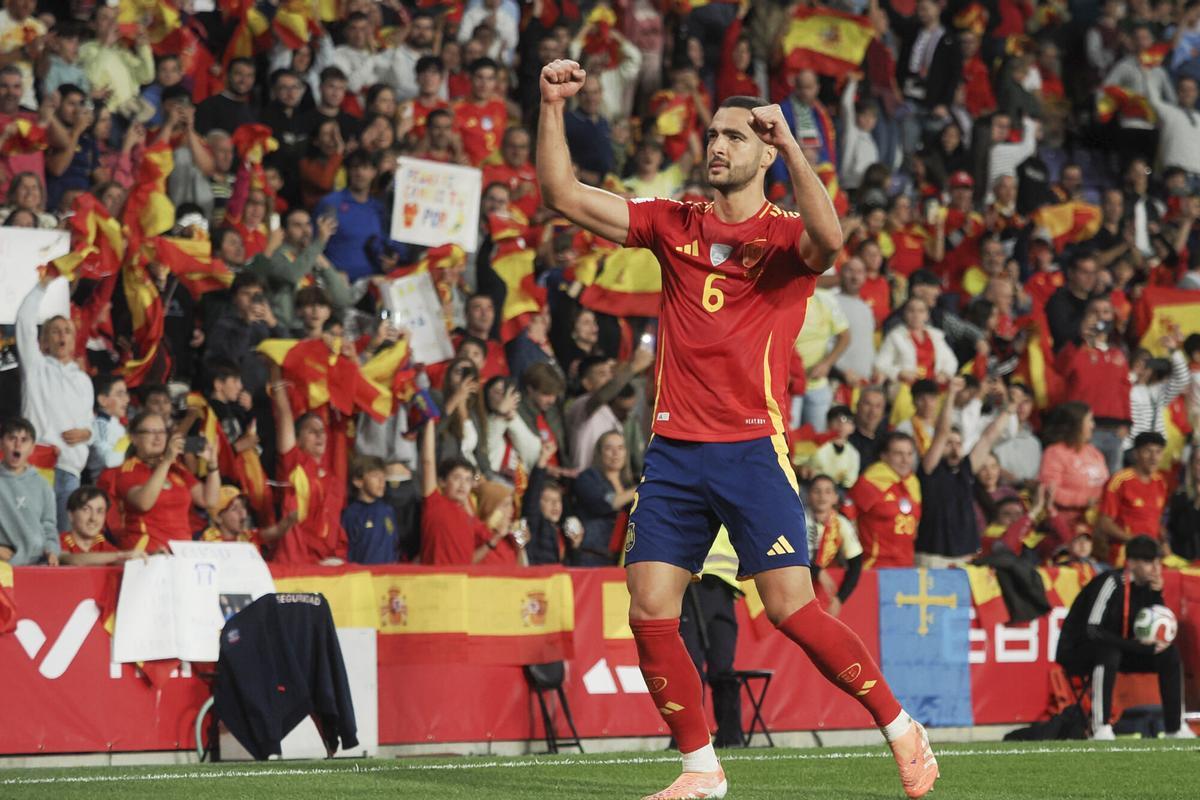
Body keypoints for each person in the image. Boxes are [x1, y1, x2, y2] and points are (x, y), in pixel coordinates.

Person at [536, 60, 937, 798]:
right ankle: (701, 769)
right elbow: (562, 194)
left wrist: (793, 146)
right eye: (712, 133)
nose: (716, 145)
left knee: (790, 608)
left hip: (752, 448)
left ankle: (900, 726)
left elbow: (832, 240)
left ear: (762, 151)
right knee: (649, 607)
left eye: (733, 136)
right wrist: (552, 106)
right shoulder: (672, 222)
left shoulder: (785, 235)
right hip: (674, 454)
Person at [1056, 535, 1195, 741]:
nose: (1156, 568)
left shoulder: (1148, 587)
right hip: (1080, 651)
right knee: (1108, 652)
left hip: (1122, 650)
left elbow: (1147, 629)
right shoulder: (1111, 582)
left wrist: (1156, 595)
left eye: (1157, 562)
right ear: (1130, 563)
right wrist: (1139, 648)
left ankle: (1175, 727)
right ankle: (1100, 727)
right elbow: (1093, 630)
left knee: (1169, 653)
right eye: (1149, 562)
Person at [16, 278, 94, 531]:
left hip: (71, 472)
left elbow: (89, 424)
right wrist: (41, 287)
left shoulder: (83, 381)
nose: (62, 335)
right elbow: (25, 322)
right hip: (38, 468)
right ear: (43, 342)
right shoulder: (36, 368)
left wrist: (87, 433)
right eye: (55, 331)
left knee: (62, 544)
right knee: (33, 536)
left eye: (68, 331)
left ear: (74, 341)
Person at [914, 377, 1011, 568]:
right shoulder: (929, 469)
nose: (955, 448)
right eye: (949, 444)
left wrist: (1010, 406)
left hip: (966, 554)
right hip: (933, 555)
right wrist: (950, 395)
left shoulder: (966, 469)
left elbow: (989, 436)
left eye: (958, 443)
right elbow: (942, 431)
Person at [267, 363, 348, 565]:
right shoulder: (294, 465)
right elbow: (285, 415)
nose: (320, 435)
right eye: (311, 431)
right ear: (298, 439)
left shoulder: (334, 479)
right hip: (297, 561)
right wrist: (275, 371)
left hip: (329, 562)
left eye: (321, 431)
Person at [113, 411, 221, 552]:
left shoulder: (176, 468)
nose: (158, 438)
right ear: (134, 438)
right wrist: (167, 461)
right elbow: (144, 503)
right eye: (150, 432)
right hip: (148, 552)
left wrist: (213, 465)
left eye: (162, 432)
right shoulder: (129, 469)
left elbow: (208, 500)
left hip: (181, 551)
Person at [679, 528, 744, 749]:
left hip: (717, 585)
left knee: (718, 667)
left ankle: (726, 737)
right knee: (701, 666)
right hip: (705, 583)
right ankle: (697, 737)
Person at [417, 420, 506, 565]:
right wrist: (429, 422)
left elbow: (469, 561)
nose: (463, 485)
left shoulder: (469, 518)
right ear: (442, 482)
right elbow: (427, 461)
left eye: (468, 480)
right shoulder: (434, 502)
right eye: (457, 478)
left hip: (461, 584)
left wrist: (492, 542)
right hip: (434, 584)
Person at [248, 208, 348, 329]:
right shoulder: (277, 256)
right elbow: (292, 274)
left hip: (316, 330)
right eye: (297, 226)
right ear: (284, 232)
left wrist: (325, 264)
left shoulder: (313, 255)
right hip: (286, 330)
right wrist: (319, 243)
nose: (305, 230)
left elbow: (342, 299)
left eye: (308, 224)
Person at [1095, 433, 1170, 567]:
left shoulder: (1161, 482)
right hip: (1124, 556)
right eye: (1148, 451)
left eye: (1158, 452)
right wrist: (1135, 541)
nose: (1154, 458)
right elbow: (1104, 523)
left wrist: (1164, 542)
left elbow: (1157, 521)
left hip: (1152, 557)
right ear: (1136, 454)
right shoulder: (1120, 481)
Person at [314, 149, 388, 282]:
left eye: (365, 168)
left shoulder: (378, 208)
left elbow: (383, 246)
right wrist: (332, 277)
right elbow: (315, 244)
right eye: (355, 168)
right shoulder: (331, 203)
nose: (360, 173)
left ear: (374, 173)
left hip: (372, 282)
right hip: (338, 282)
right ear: (348, 171)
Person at [1038, 402, 1110, 534]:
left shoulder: (1094, 453)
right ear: (1075, 425)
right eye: (1089, 420)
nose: (1093, 425)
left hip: (1096, 524)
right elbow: (1050, 491)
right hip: (1066, 526)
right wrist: (1085, 500)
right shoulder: (1055, 453)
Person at [571, 431, 636, 567]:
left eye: (620, 448)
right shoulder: (587, 478)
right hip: (592, 558)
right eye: (608, 448)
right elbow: (606, 504)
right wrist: (640, 489)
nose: (615, 453)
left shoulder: (630, 483)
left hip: (623, 560)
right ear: (599, 453)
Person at [0, 417, 58, 566]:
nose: (17, 445)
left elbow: (49, 526)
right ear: (1, 443)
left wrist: (51, 550)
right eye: (12, 438)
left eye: (24, 440)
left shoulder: (43, 485)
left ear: (32, 448)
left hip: (37, 565)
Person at [790, 287, 850, 432]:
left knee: (817, 438)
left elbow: (845, 336)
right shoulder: (783, 299)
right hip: (789, 385)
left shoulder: (825, 299)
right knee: (787, 438)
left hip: (817, 383)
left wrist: (827, 364)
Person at [806, 475, 864, 617]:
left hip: (822, 592)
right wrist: (817, 571)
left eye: (827, 492)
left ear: (835, 498)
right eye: (817, 491)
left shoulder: (841, 523)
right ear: (808, 496)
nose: (822, 496)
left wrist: (839, 599)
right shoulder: (798, 519)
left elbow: (856, 563)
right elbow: (791, 556)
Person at [58, 486, 142, 565]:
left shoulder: (105, 546)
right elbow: (71, 560)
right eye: (86, 510)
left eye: (100, 511)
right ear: (71, 515)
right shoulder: (57, 542)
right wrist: (120, 556)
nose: (93, 518)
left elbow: (126, 562)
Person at [342, 455, 400, 565]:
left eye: (383, 476)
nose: (382, 481)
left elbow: (395, 546)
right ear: (358, 482)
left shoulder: (388, 511)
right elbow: (346, 552)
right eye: (375, 476)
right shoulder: (351, 514)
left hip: (388, 577)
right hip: (364, 577)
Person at [87, 374, 129, 478]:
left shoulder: (117, 425)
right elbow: (109, 460)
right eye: (120, 394)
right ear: (103, 400)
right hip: (102, 482)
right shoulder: (100, 424)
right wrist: (129, 439)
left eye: (126, 394)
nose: (127, 400)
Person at [1166, 448, 1200, 562]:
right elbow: (1182, 532)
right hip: (1185, 565)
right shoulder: (1179, 496)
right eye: (1198, 461)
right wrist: (1196, 503)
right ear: (1191, 466)